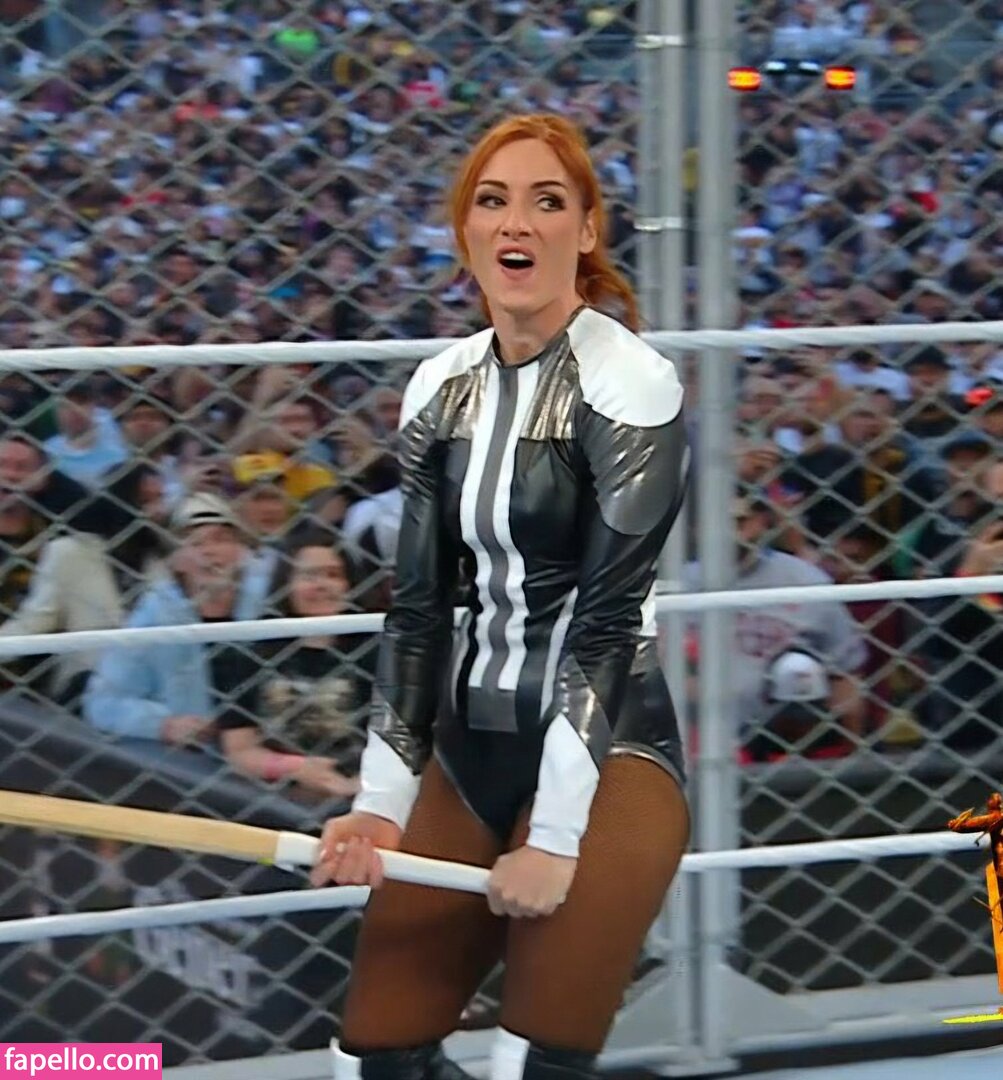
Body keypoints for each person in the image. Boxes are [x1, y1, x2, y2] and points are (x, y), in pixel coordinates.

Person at [310, 114, 691, 1080]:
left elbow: (605, 623)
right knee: (376, 1058)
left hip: (611, 752)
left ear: (586, 231)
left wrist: (556, 838)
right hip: (471, 744)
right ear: (467, 232)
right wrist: (380, 805)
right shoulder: (439, 386)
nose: (516, 221)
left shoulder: (630, 381)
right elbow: (416, 609)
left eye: (546, 201)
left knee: (534, 1065)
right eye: (492, 201)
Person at [212, 528, 368, 799]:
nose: (322, 585)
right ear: (286, 584)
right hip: (276, 795)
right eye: (309, 575)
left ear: (349, 585)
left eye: (333, 574)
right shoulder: (251, 655)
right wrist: (297, 768)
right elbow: (238, 750)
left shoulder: (377, 652)